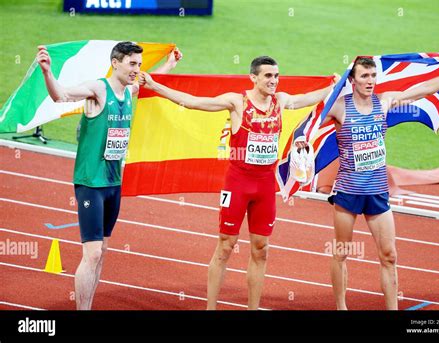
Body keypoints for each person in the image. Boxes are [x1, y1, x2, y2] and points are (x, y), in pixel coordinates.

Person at [139, 56, 339, 309]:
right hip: (237, 183)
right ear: (253, 77)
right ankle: (211, 307)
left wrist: (336, 85)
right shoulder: (237, 102)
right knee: (226, 246)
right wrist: (155, 86)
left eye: (276, 76)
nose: (273, 81)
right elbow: (191, 102)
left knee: (261, 248)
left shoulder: (281, 100)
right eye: (268, 76)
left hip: (266, 186)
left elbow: (310, 98)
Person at [323, 51, 439, 310]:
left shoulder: (386, 100)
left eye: (373, 76)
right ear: (353, 79)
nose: (370, 81)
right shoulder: (338, 107)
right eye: (364, 76)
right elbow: (310, 118)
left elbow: (424, 88)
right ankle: (341, 307)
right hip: (348, 192)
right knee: (341, 253)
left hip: (378, 192)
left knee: (390, 256)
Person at [37, 41, 181, 310]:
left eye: (139, 64)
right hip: (91, 183)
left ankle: (88, 305)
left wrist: (170, 63)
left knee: (101, 253)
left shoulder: (128, 91)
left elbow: (147, 83)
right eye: (132, 64)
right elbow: (61, 96)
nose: (137, 69)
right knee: (91, 254)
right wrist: (47, 72)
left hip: (114, 184)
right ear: (115, 63)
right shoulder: (98, 89)